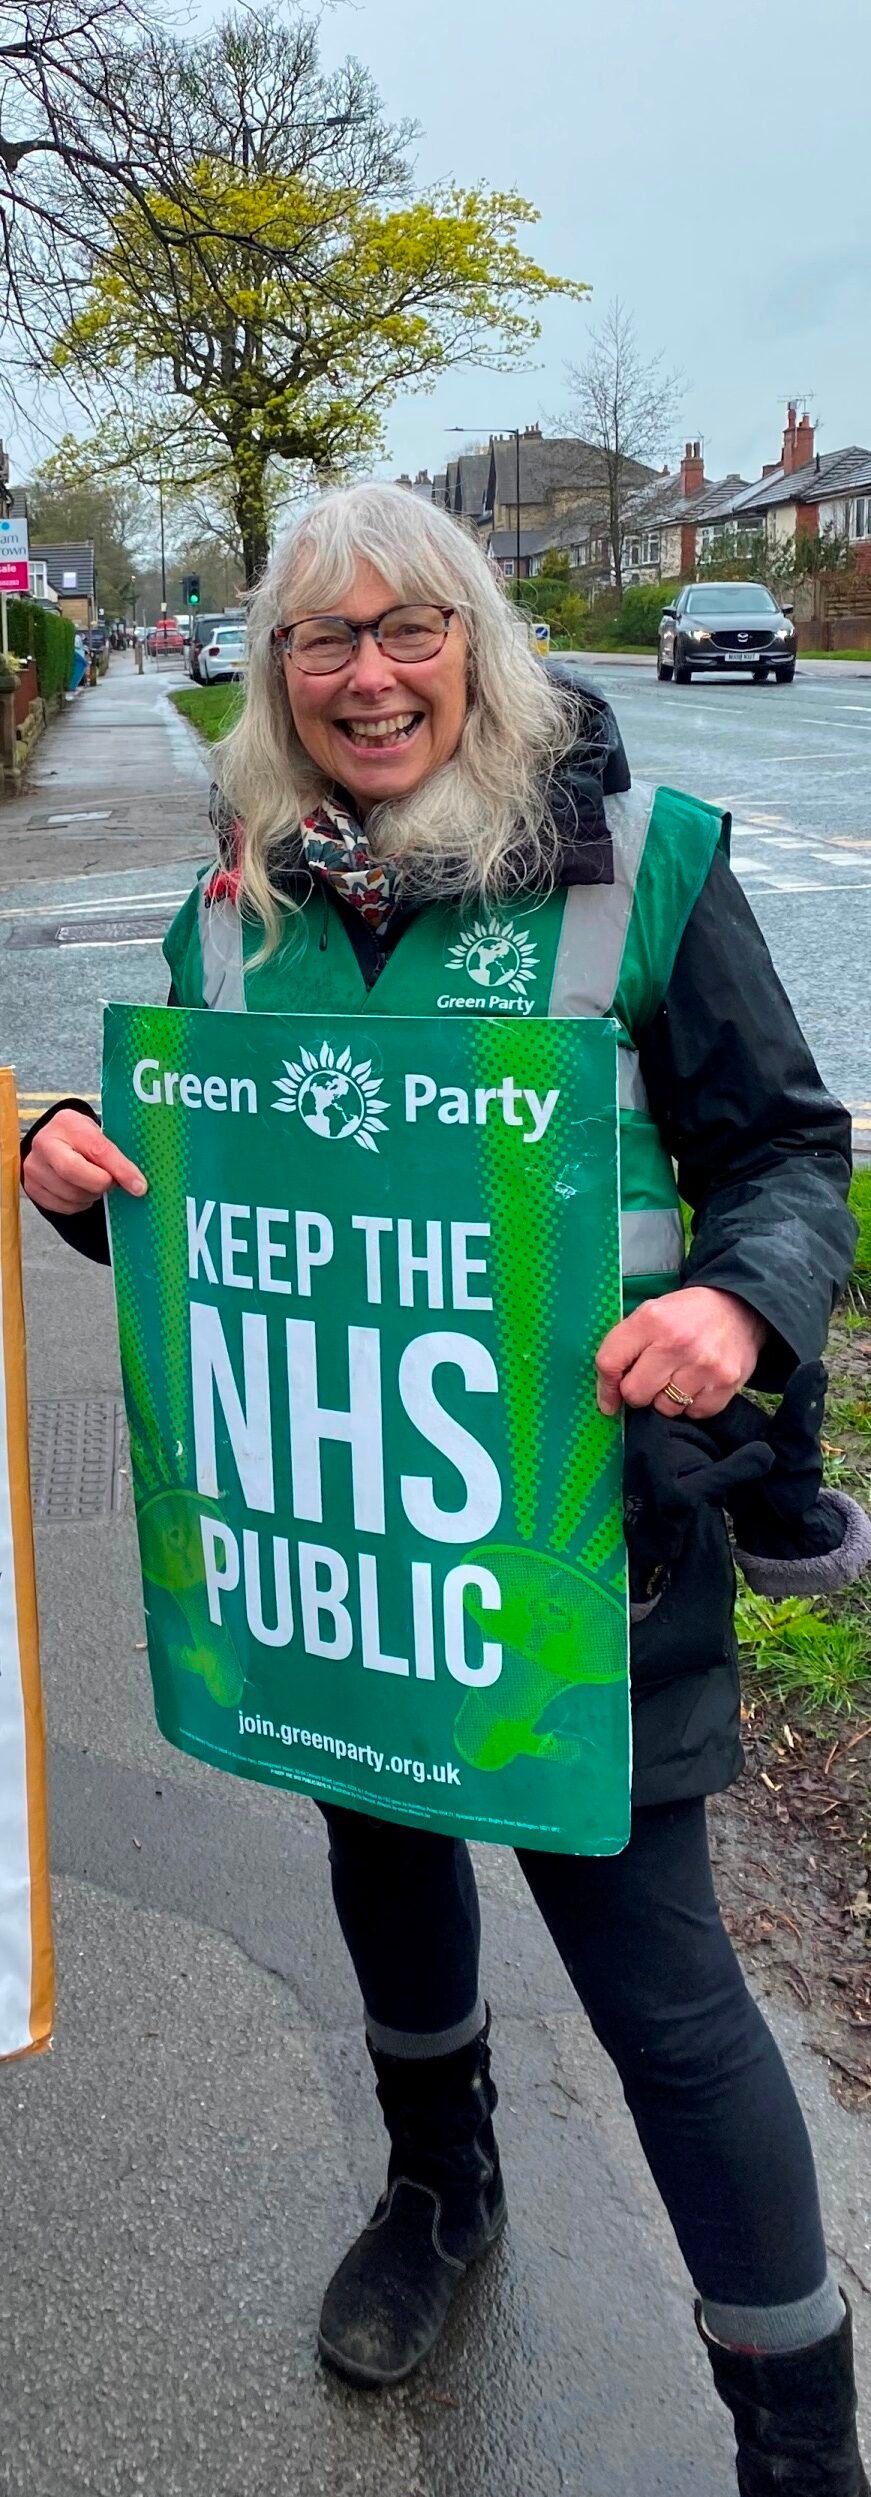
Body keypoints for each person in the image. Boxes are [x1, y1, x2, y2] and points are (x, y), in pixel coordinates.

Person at [21, 485, 869, 2493]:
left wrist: (742, 1312)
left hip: (591, 1538)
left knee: (658, 1983)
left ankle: (796, 2430)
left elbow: (785, 1153)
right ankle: (440, 2186)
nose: (370, 674)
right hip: (340, 1541)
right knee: (385, 1853)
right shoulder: (234, 901)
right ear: (272, 671)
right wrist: (77, 1165)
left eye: (411, 630)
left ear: (475, 648)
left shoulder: (630, 872)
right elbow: (216, 1213)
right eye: (325, 639)